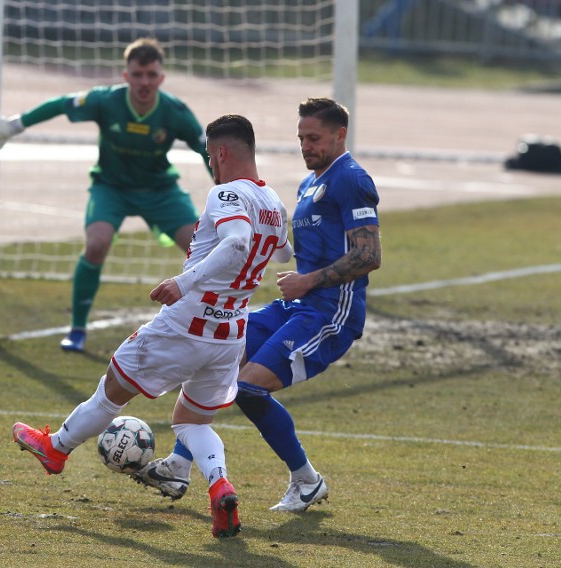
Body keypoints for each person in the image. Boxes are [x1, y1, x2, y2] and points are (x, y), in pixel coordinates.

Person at [10, 114, 292, 538]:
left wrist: (185, 280)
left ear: (221, 153)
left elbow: (235, 242)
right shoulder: (274, 203)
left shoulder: (226, 193)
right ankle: (220, 488)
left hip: (186, 324)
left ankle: (55, 449)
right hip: (230, 333)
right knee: (193, 422)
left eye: (210, 157)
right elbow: (284, 254)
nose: (211, 166)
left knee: (113, 389)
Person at [134, 97, 381, 513]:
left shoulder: (352, 180)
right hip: (298, 308)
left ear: (340, 135)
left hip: (330, 315)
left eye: (315, 138)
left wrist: (308, 281)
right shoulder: (310, 183)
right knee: (220, 350)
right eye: (301, 137)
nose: (306, 145)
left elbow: (369, 255)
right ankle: (178, 465)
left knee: (248, 388)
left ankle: (306, 480)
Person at [0, 37, 212, 352]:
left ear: (161, 78)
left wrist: (234, 192)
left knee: (203, 252)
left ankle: (211, 328)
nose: (144, 82)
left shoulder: (175, 112)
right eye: (137, 75)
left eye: (151, 75)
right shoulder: (105, 101)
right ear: (125, 76)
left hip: (160, 191)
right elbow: (60, 104)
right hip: (110, 188)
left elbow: (206, 151)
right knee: (97, 243)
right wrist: (14, 125)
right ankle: (77, 328)